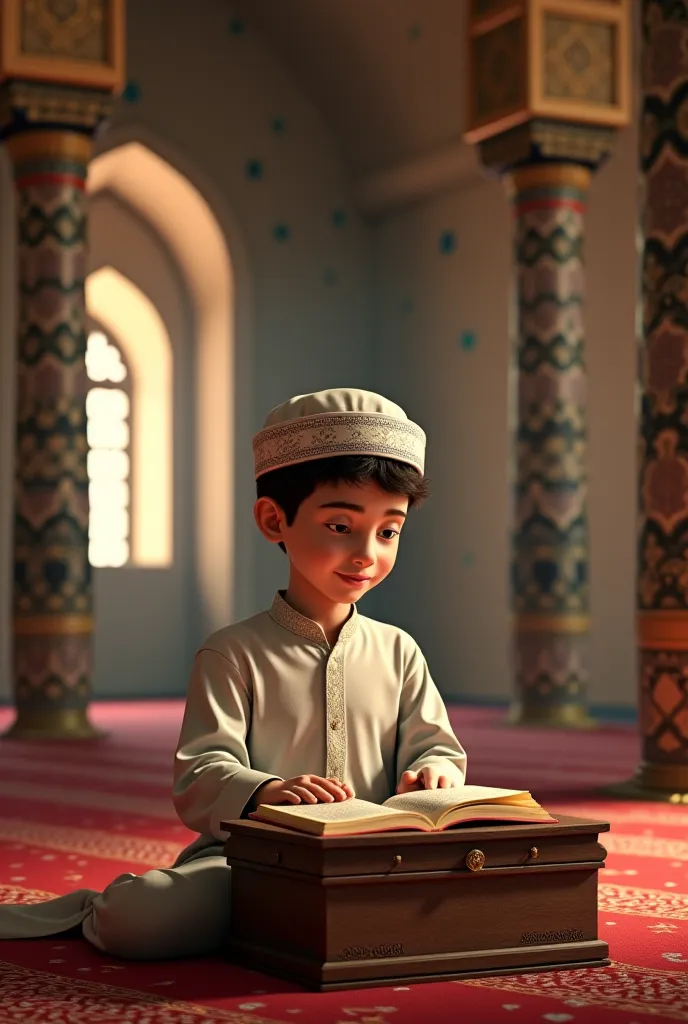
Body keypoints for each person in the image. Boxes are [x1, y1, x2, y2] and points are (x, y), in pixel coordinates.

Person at [0, 388, 466, 959]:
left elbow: (435, 746)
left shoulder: (399, 651)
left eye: (388, 531)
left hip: (379, 856)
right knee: (146, 919)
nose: (368, 553)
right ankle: (101, 909)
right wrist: (268, 791)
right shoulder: (232, 652)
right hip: (253, 860)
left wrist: (434, 770)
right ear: (275, 520)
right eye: (341, 526)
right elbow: (200, 774)